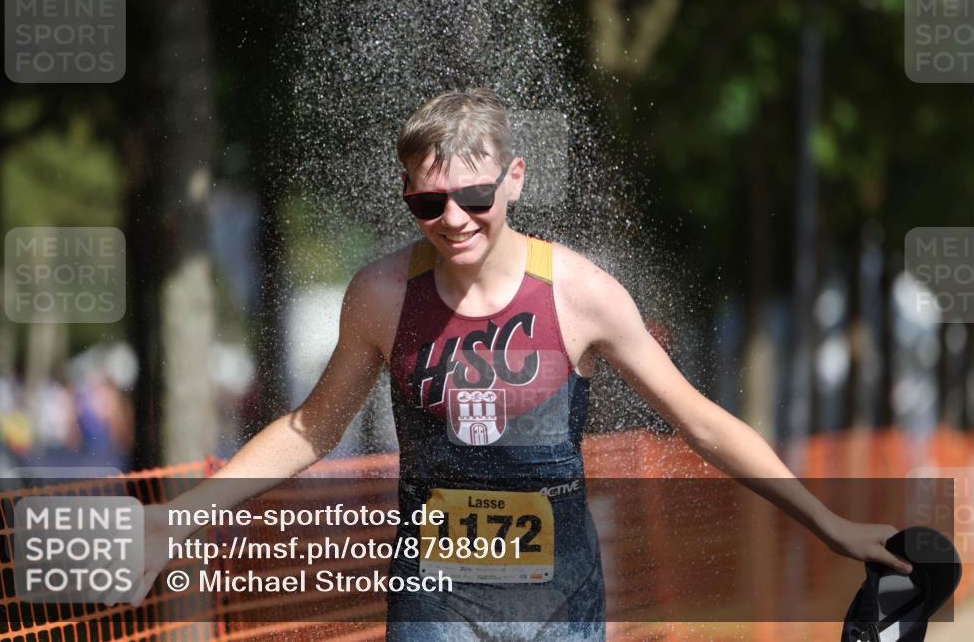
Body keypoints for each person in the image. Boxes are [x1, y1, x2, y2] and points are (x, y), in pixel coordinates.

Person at [129, 88, 912, 640]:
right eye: (427, 203)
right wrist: (181, 513)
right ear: (406, 193)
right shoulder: (379, 293)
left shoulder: (581, 293)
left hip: (559, 595)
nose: (453, 220)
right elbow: (310, 427)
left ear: (514, 179)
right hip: (433, 595)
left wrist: (829, 522)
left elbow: (700, 420)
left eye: (473, 196)